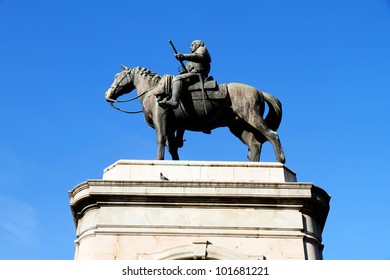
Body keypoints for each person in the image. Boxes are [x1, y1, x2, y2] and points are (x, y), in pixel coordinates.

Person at [160, 40, 212, 108]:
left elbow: (199, 57)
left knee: (177, 79)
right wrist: (184, 72)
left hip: (198, 74)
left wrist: (184, 56)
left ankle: (174, 101)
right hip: (193, 74)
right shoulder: (191, 58)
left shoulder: (201, 49)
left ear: (198, 44)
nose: (190, 47)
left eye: (192, 45)